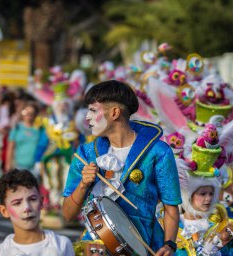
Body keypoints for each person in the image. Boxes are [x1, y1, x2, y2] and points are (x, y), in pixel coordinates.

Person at [62, 80, 182, 255]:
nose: (86, 117)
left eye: (93, 110)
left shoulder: (158, 152)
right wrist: (83, 185)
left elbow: (171, 207)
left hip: (145, 244)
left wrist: (169, 244)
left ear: (114, 113)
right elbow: (67, 214)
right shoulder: (86, 154)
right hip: (97, 247)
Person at [0, 168, 75, 256]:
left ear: (41, 202)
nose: (27, 208)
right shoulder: (0, 252)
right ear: (4, 211)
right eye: (17, 203)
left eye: (32, 199)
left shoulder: (61, 245)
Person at [5, 102, 47, 174]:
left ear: (35, 115)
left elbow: (43, 146)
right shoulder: (17, 128)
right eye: (25, 112)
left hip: (35, 168)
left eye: (31, 113)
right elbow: (10, 148)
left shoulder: (39, 129)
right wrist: (8, 164)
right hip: (19, 167)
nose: (28, 115)